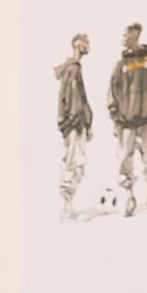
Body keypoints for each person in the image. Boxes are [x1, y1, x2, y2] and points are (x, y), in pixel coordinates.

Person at [106, 21, 147, 215]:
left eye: (126, 35)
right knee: (125, 161)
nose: (123, 39)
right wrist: (116, 121)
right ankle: (130, 198)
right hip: (126, 124)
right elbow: (112, 94)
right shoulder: (120, 64)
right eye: (123, 35)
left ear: (135, 35)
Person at [54, 31, 94, 211]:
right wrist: (78, 121)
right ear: (77, 44)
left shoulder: (74, 68)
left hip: (76, 123)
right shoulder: (72, 69)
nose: (88, 46)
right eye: (86, 43)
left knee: (77, 162)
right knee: (73, 162)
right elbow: (72, 100)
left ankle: (68, 206)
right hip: (74, 124)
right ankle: (67, 208)